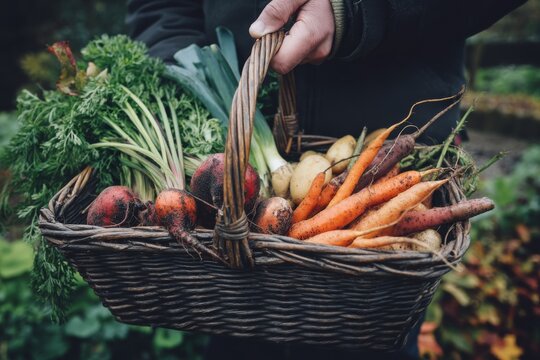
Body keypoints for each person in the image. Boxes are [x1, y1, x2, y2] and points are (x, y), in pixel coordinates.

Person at [126, 1, 527, 358]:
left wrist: (355, 12)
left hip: (383, 238)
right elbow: (162, 9)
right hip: (229, 241)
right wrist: (182, 67)